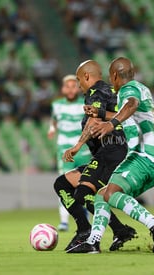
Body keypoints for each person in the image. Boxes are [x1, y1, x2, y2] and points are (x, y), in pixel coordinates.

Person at [67, 57, 154, 253]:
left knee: (112, 193)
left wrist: (110, 124)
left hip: (143, 158)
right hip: (151, 162)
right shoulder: (141, 88)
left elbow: (131, 105)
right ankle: (93, 242)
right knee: (102, 195)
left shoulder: (128, 90)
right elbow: (145, 115)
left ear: (114, 76)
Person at [53, 61, 137, 251]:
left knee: (84, 193)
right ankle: (115, 230)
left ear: (87, 77)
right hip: (109, 153)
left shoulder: (95, 92)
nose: (79, 85)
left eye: (78, 80)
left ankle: (88, 236)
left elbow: (94, 120)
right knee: (63, 184)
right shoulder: (109, 90)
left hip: (112, 153)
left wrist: (78, 145)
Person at [48, 74, 92, 232]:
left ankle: (86, 217)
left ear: (78, 88)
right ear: (63, 88)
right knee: (63, 184)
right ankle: (64, 220)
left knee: (85, 184)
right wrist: (52, 129)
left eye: (74, 85)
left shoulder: (85, 104)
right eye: (68, 86)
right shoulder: (57, 105)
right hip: (64, 150)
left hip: (83, 150)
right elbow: (53, 120)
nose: (71, 88)